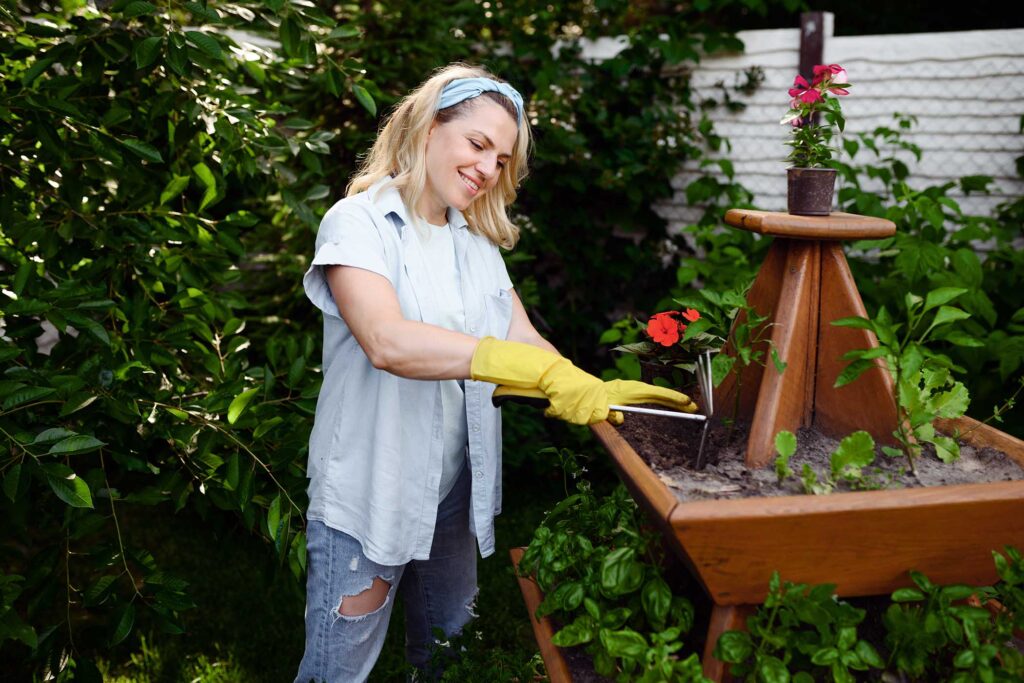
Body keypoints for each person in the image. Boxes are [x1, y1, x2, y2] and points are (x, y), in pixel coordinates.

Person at [295, 62, 698, 682]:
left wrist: (580, 382)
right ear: (428, 128)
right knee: (336, 673)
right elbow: (386, 340)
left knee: (452, 660)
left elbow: (522, 338)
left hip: (451, 493)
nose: (488, 169)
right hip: (372, 490)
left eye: (502, 160)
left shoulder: (475, 244)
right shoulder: (360, 224)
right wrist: (498, 361)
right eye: (478, 144)